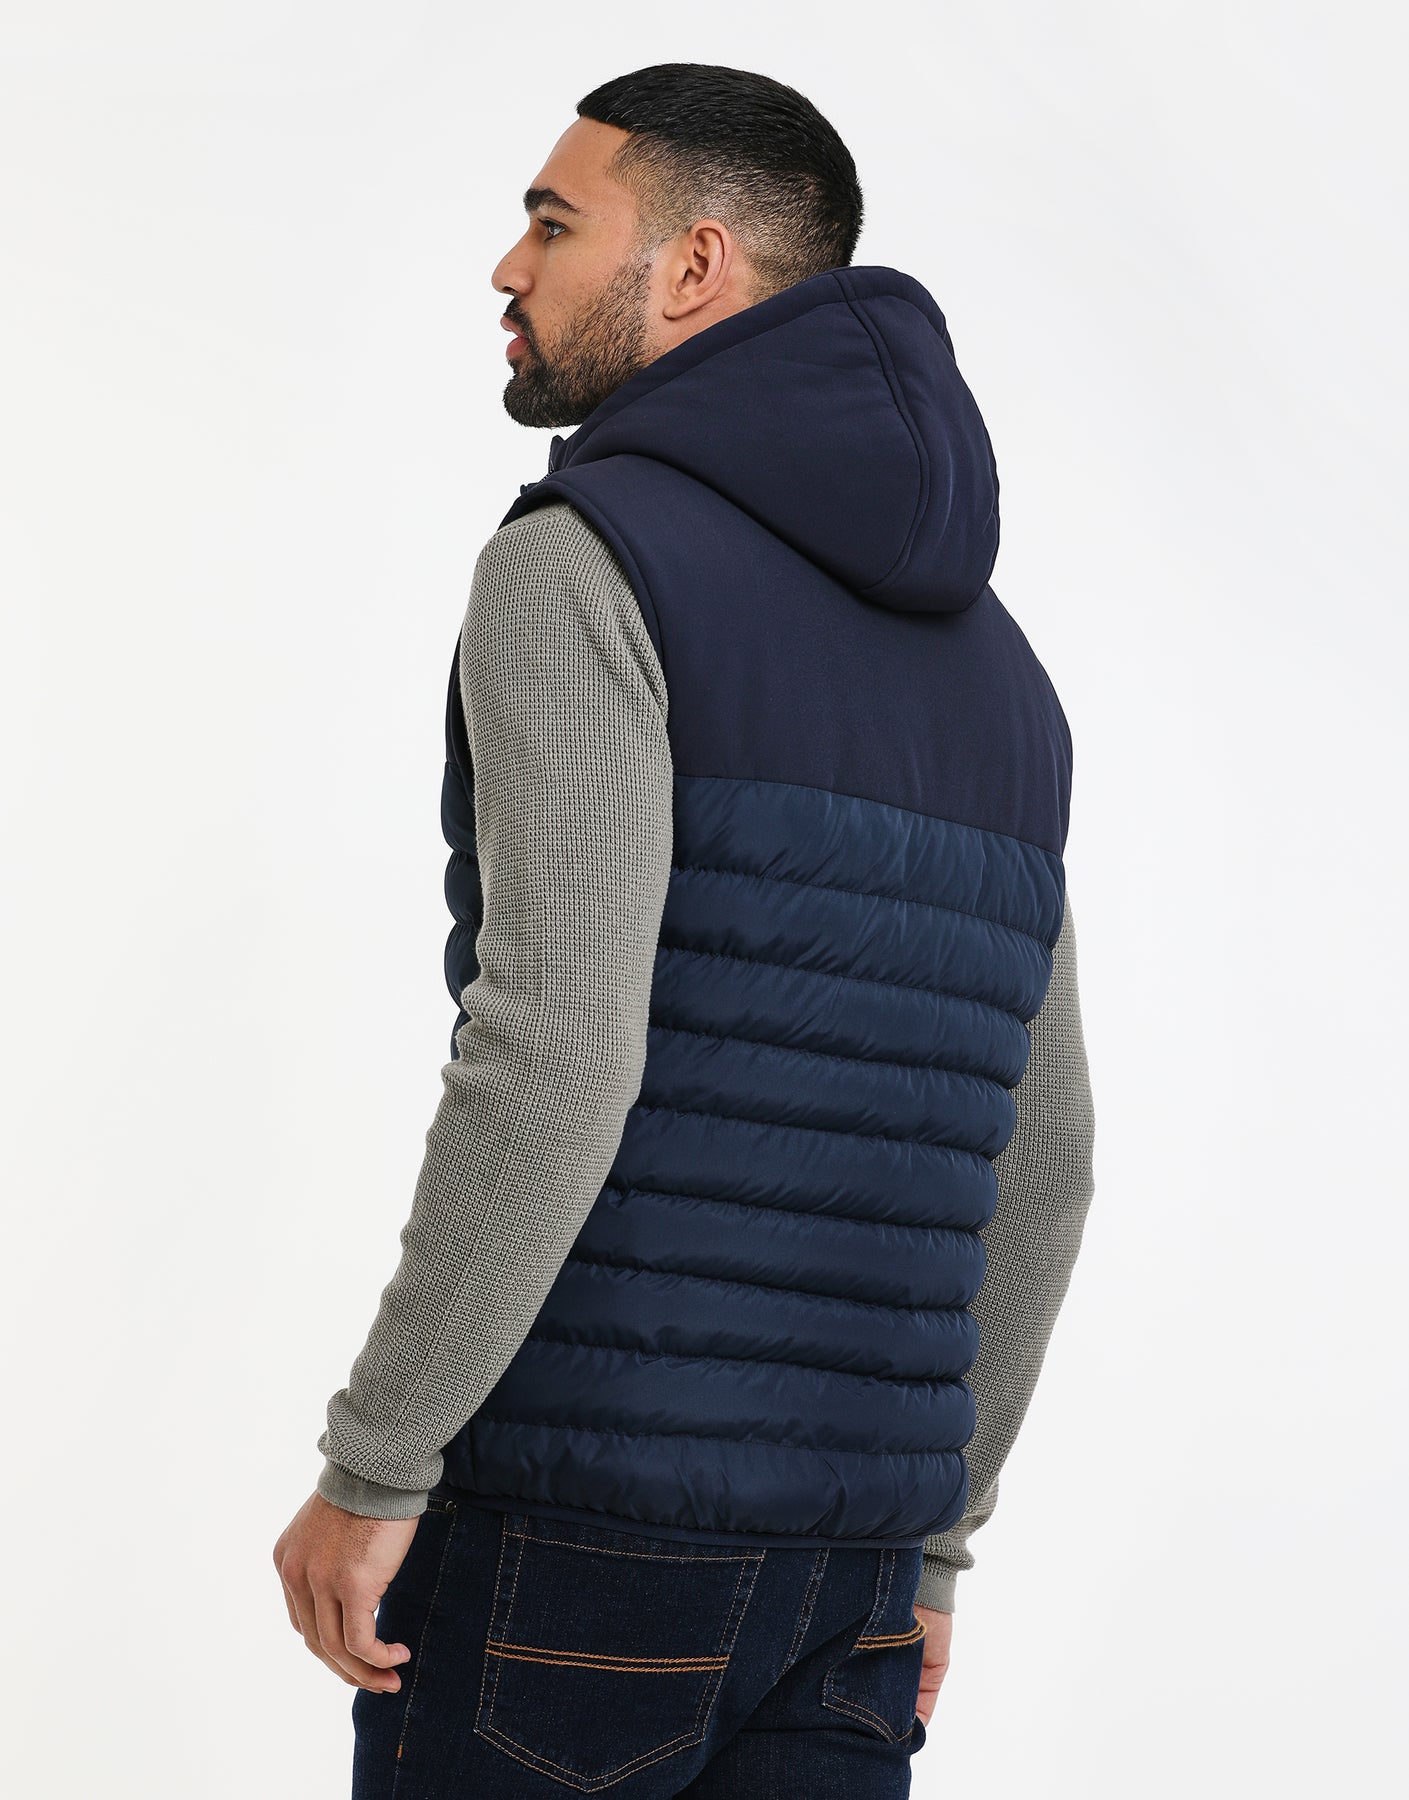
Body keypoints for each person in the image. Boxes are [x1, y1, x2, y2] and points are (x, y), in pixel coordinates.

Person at [272, 61, 1096, 1799]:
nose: (509, 268)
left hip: (575, 1537)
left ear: (695, 265)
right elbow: (1045, 1153)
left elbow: (556, 1051)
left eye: (553, 225)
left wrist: (375, 1463)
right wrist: (932, 1544)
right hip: (853, 1576)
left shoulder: (584, 563)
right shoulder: (999, 673)